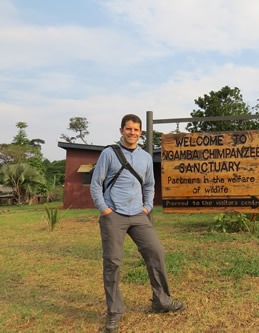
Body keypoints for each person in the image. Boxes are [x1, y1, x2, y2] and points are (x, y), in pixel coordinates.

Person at [90, 114, 184, 333]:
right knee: (113, 262)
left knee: (156, 252)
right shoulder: (109, 153)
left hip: (139, 215)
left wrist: (147, 207)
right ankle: (114, 312)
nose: (132, 133)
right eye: (128, 129)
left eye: (136, 129)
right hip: (114, 215)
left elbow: (150, 184)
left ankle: (161, 300)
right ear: (122, 130)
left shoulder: (145, 157)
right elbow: (96, 184)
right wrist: (104, 209)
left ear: (141, 132)